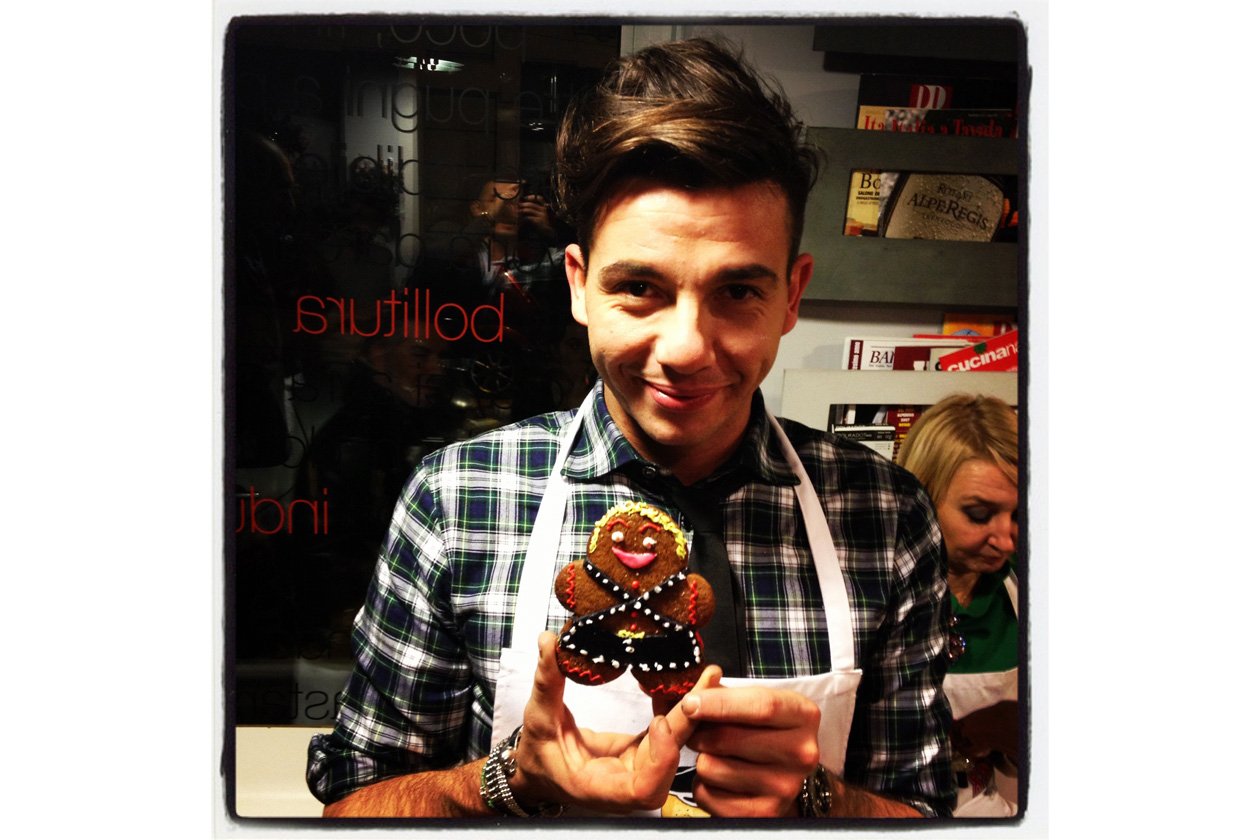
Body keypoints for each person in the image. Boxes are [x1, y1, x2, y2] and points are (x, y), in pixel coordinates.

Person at [306, 37, 955, 819]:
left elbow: (925, 813)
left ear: (791, 295)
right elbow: (351, 807)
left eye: (738, 291)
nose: (686, 349)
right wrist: (505, 782)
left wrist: (819, 800)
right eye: (640, 287)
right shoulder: (456, 500)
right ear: (579, 285)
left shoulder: (887, 515)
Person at [896, 394, 1020, 817]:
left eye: (1017, 515)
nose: (1005, 540)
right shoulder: (875, 595)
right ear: (923, 496)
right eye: (979, 514)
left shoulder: (1021, 591)